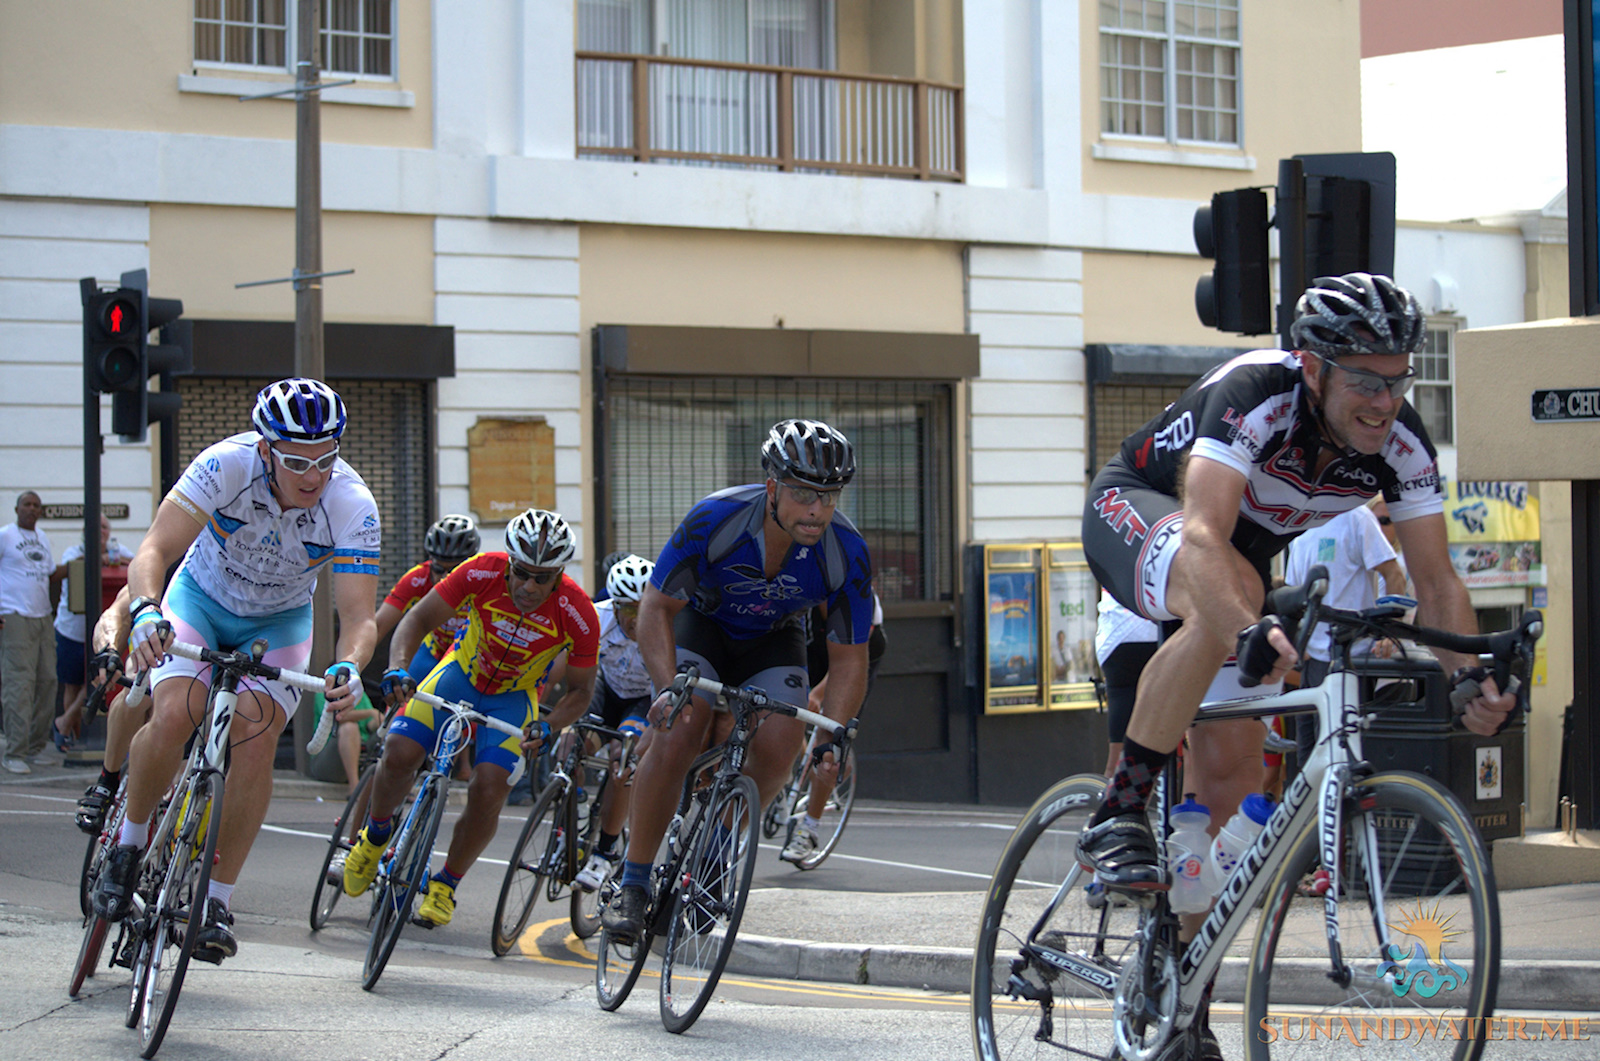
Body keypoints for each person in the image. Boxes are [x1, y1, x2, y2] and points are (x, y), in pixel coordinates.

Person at [1076, 274, 1517, 1060]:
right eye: (1365, 380)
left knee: (1227, 805)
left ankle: (1180, 1006)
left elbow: (1438, 580)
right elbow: (1207, 534)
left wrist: (1468, 678)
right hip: (1141, 511)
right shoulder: (1256, 395)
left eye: (1398, 378)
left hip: (1232, 570)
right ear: (1313, 368)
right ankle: (1119, 806)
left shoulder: (1402, 446)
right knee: (1234, 589)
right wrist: (1247, 625)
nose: (1385, 401)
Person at [92, 378, 382, 965]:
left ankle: (216, 900)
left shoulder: (352, 504)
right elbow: (153, 550)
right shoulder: (225, 465)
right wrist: (146, 611)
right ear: (266, 448)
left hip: (279, 622)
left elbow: (358, 617)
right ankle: (127, 845)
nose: (313, 474)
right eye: (297, 460)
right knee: (175, 712)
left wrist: (350, 664)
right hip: (201, 598)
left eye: (326, 458)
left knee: (255, 739)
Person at [601, 418, 874, 941]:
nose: (817, 510)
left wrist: (832, 733)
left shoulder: (847, 552)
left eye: (829, 495)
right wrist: (664, 687)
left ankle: (715, 855)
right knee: (680, 725)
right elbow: (656, 608)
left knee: (781, 743)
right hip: (701, 625)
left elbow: (849, 660)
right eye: (802, 494)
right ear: (772, 488)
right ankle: (633, 884)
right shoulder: (717, 517)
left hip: (774, 636)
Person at [342, 508, 600, 930]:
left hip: (514, 699)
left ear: (559, 574)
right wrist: (399, 667)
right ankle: (373, 837)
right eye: (521, 573)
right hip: (458, 675)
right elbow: (417, 620)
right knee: (399, 749)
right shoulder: (481, 571)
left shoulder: (577, 611)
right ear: (509, 564)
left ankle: (445, 884)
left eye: (542, 577)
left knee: (490, 787)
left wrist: (548, 727)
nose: (528, 586)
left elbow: (580, 692)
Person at [1282, 499, 1408, 763]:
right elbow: (1293, 596)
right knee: (1307, 763)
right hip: (1310, 662)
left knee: (1337, 760)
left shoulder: (1356, 517)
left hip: (1349, 659)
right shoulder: (1299, 524)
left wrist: (1387, 632)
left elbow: (1393, 573)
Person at [572, 554, 656, 890]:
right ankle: (568, 822)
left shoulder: (665, 627)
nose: (637, 620)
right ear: (615, 606)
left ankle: (604, 854)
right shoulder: (597, 618)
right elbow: (565, 661)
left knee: (622, 759)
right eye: (629, 611)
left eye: (644, 609)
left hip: (641, 699)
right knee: (572, 745)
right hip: (605, 690)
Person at [787, 592, 886, 862]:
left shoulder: (858, 597)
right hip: (814, 647)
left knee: (829, 735)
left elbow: (849, 664)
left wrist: (819, 695)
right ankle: (792, 768)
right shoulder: (802, 589)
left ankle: (809, 828)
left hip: (858, 655)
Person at [52, 514, 135, 750]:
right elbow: (74, 566)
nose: (101, 531)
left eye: (105, 527)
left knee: (96, 680)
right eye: (95, 526)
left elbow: (137, 563)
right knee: (73, 684)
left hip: (101, 633)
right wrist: (97, 557)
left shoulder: (118, 551)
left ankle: (65, 724)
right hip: (71, 631)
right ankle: (72, 734)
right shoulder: (72, 552)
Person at [2, 491, 67, 774]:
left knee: (48, 681)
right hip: (15, 616)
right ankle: (14, 752)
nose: (31, 509)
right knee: (20, 684)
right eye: (27, 504)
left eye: (36, 506)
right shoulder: (5, 536)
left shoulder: (42, 538)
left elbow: (50, 573)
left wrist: (87, 559)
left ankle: (35, 747)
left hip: (43, 618)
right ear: (16, 508)